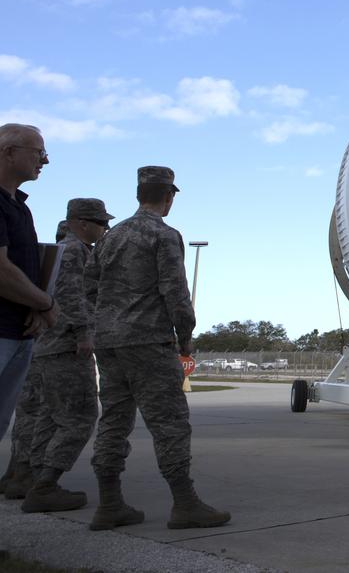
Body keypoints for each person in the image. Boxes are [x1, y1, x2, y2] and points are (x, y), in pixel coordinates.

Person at [88, 166, 229, 529]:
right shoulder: (163, 235)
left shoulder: (111, 236)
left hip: (108, 342)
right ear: (169, 197)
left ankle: (109, 503)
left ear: (139, 194)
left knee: (114, 421)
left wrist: (100, 326)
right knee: (170, 424)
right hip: (149, 341)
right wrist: (185, 338)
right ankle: (185, 503)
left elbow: (89, 287)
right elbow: (176, 293)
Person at [18, 199, 111, 513]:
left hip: (48, 346)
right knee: (80, 417)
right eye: (100, 223)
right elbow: (72, 293)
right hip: (67, 345)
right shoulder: (75, 250)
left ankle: (33, 478)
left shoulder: (60, 249)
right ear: (82, 223)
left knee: (50, 416)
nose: (104, 228)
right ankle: (45, 485)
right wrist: (84, 332)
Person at [0, 124, 55, 488]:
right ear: (8, 152)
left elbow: (20, 267)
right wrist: (46, 303)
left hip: (19, 330)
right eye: (38, 152)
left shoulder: (19, 207)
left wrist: (35, 307)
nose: (45, 160)